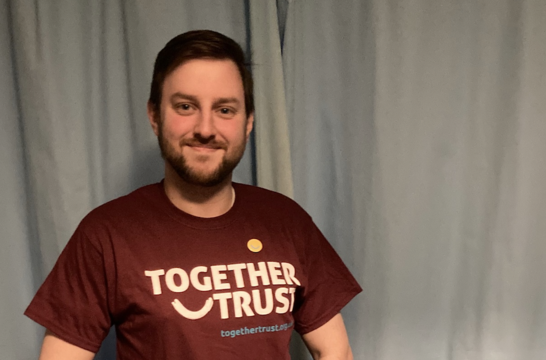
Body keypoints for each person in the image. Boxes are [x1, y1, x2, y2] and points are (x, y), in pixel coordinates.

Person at [25, 29, 362, 360]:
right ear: (155, 116)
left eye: (225, 110)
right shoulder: (106, 234)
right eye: (186, 106)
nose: (205, 129)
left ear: (248, 123)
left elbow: (334, 349)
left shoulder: (287, 221)